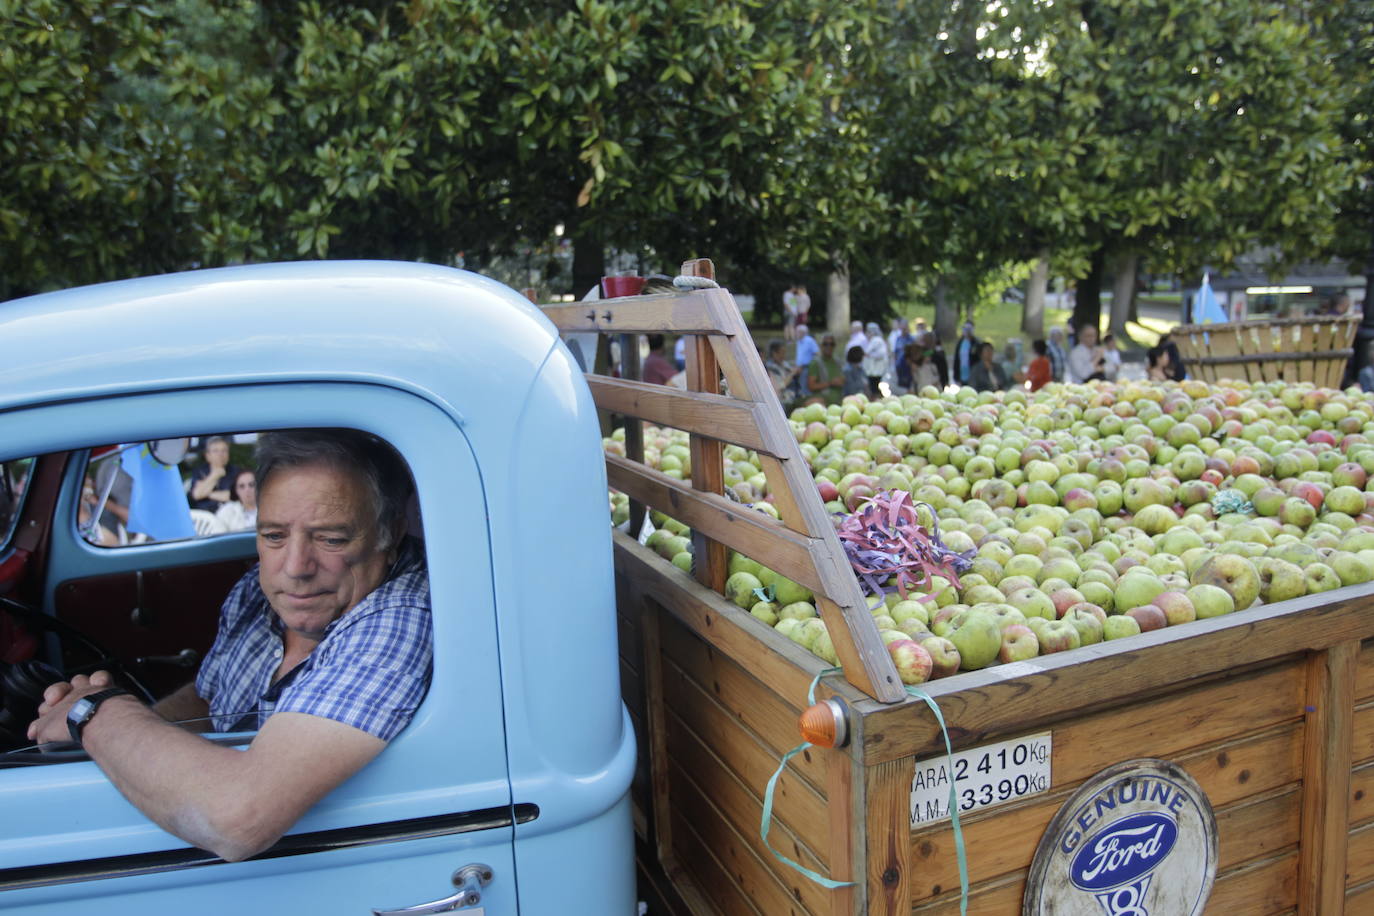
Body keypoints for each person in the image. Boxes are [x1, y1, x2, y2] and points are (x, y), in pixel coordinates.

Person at [28, 429, 432, 863]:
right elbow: (208, 696)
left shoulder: (402, 616)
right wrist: (124, 733)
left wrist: (97, 714)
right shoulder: (258, 591)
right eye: (273, 535)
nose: (294, 568)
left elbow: (237, 820)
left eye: (331, 539)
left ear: (390, 532)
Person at [188, 437, 239, 512]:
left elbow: (235, 496)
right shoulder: (199, 472)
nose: (220, 454)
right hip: (203, 515)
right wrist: (214, 475)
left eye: (224, 451)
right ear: (207, 456)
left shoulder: (236, 472)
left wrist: (207, 493)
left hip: (229, 515)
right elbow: (196, 495)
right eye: (215, 451)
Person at [215, 468, 259, 532]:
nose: (247, 490)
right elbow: (218, 536)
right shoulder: (227, 511)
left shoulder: (271, 508)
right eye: (242, 486)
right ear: (236, 490)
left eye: (251, 485)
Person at [805, 335, 844, 405]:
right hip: (823, 402)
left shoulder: (838, 362)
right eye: (825, 344)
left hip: (840, 400)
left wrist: (842, 381)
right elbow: (811, 386)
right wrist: (830, 383)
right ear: (821, 346)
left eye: (831, 344)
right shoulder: (815, 363)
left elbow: (842, 379)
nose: (829, 346)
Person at [763, 339, 799, 407]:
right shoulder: (770, 368)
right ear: (774, 353)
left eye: (784, 352)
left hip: (793, 396)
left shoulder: (784, 364)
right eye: (782, 352)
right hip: (783, 401)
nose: (784, 355)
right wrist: (792, 374)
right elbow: (780, 386)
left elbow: (792, 371)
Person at [862, 322, 890, 397]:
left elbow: (866, 352)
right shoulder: (879, 340)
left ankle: (877, 398)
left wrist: (869, 355)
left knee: (874, 386)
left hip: (876, 370)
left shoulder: (875, 340)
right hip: (877, 369)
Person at [953, 322, 980, 386]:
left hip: (973, 375)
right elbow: (957, 360)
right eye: (965, 329)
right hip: (962, 375)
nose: (967, 331)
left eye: (969, 329)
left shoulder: (976, 343)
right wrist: (956, 377)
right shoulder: (960, 342)